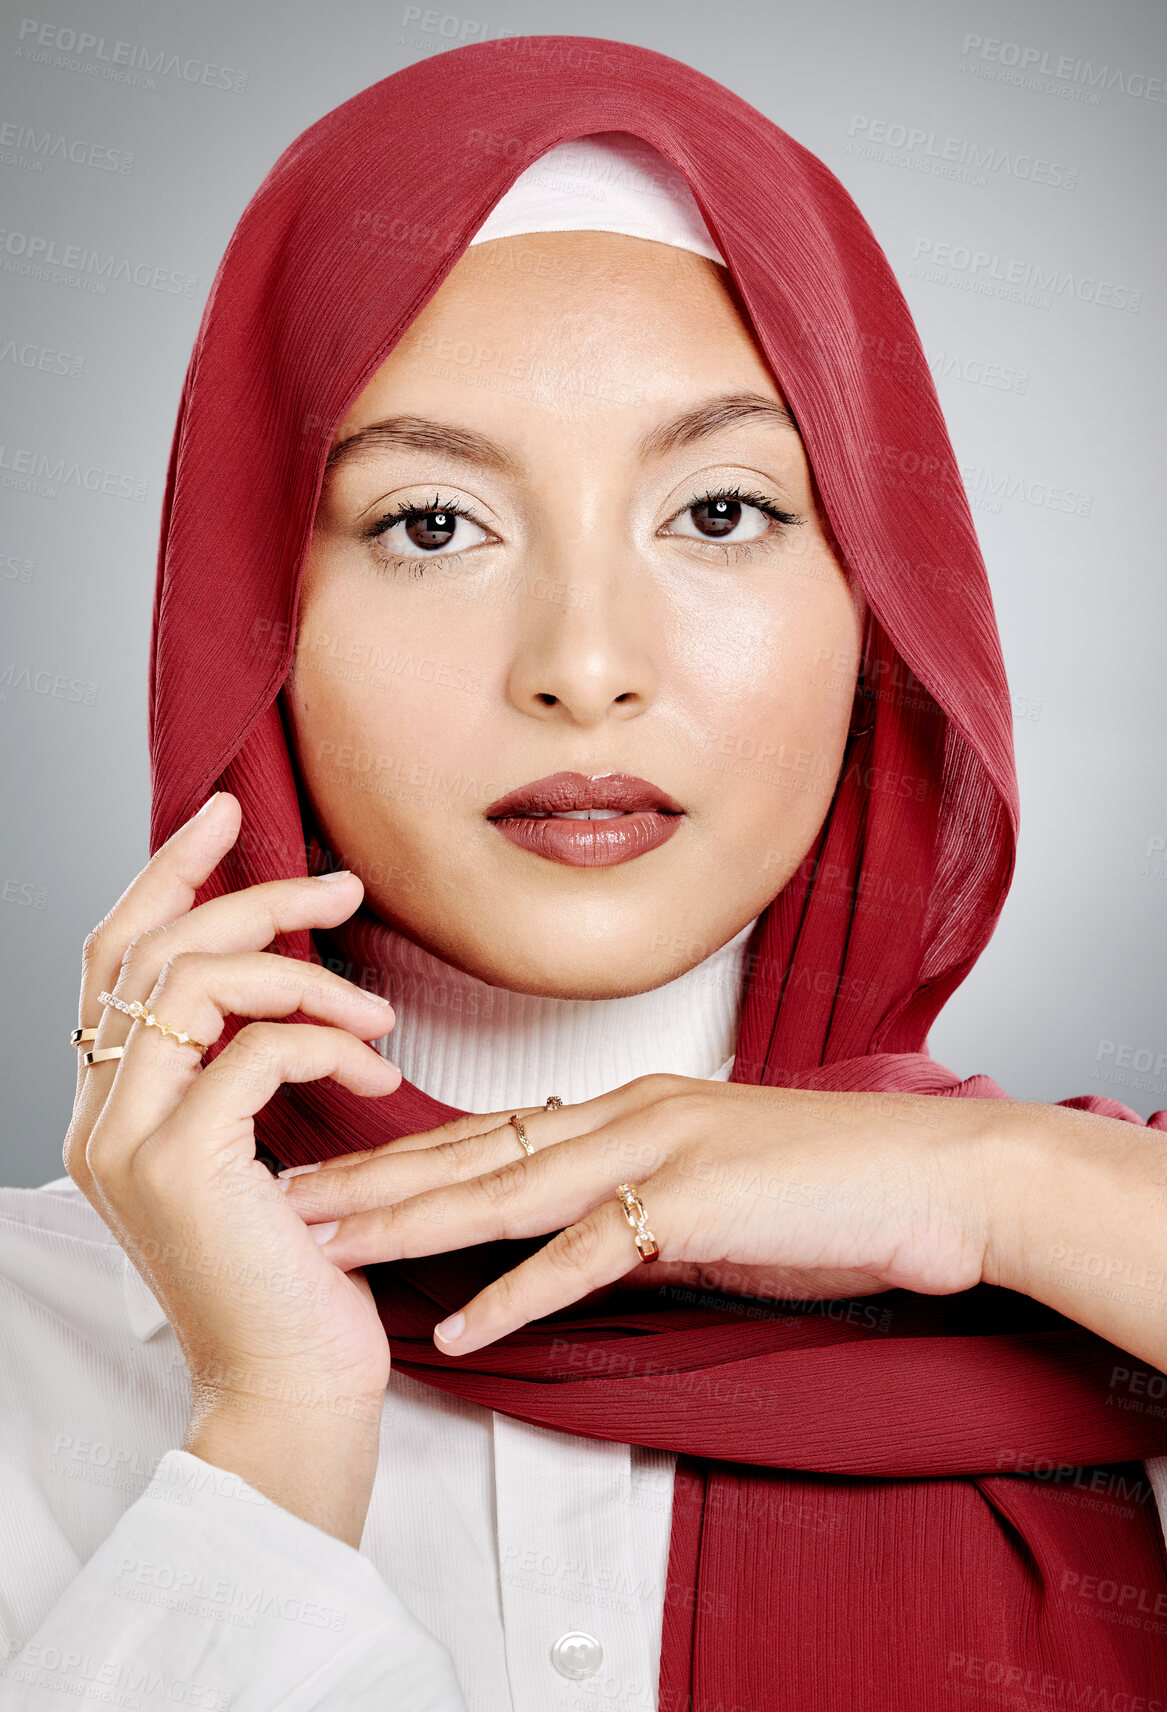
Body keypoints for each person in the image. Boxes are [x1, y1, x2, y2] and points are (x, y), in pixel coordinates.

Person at [1, 36, 1165, 1712]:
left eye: (718, 512)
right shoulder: (28, 1344)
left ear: (879, 612)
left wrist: (1002, 1192)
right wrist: (273, 1428)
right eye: (429, 524)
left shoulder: (1106, 1281)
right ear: (250, 618)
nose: (585, 666)